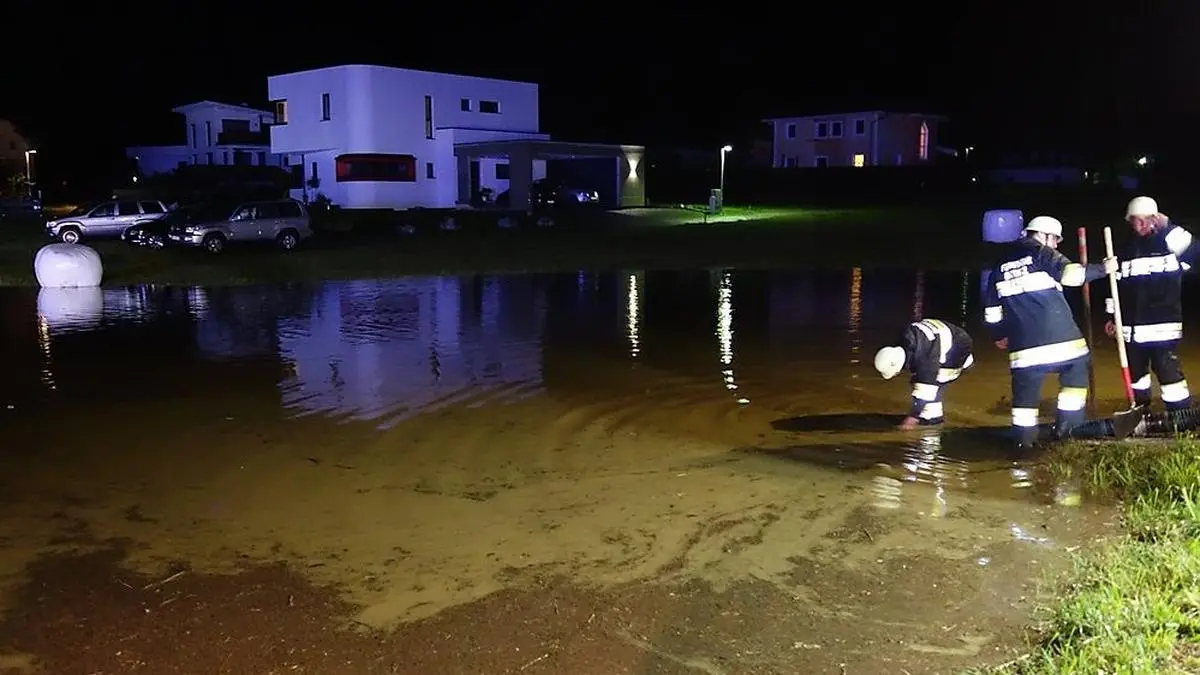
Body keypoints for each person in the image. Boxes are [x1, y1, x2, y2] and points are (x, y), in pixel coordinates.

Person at [982, 216, 1118, 448]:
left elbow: (991, 311)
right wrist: (1103, 268)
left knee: (1024, 405)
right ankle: (1067, 433)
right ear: (1044, 236)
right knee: (1075, 377)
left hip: (1023, 351)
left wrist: (998, 335)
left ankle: (1023, 448)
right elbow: (1073, 276)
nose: (1056, 245)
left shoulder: (999, 266)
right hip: (1064, 344)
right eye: (1055, 239)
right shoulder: (1042, 254)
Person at [1104, 196, 1196, 411]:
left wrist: (1170, 228)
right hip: (1131, 329)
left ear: (1156, 219)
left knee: (1168, 373)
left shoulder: (1170, 245)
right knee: (1136, 377)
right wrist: (1111, 315)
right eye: (1137, 219)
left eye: (1148, 219)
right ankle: (1141, 413)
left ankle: (1181, 418)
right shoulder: (1125, 250)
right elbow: (1114, 286)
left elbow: (1195, 252)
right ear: (1130, 221)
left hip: (1162, 327)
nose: (1142, 224)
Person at [873, 318, 974, 430]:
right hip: (950, 337)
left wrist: (912, 418)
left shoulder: (926, 359)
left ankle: (934, 422)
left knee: (937, 382)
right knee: (921, 381)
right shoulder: (905, 341)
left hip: (958, 346)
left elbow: (925, 389)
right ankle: (930, 418)